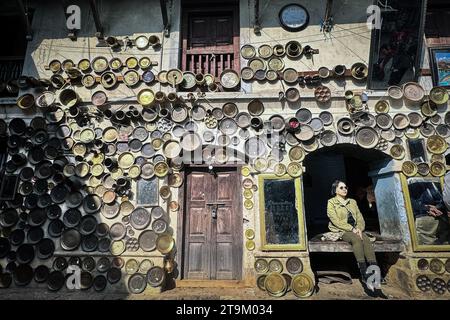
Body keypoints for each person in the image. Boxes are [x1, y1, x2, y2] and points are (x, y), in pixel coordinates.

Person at [327, 180, 387, 298]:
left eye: (346, 187)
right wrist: (352, 229)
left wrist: (359, 228)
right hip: (341, 230)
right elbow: (335, 220)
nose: (345, 189)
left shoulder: (352, 202)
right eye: (341, 188)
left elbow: (360, 217)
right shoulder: (331, 202)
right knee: (356, 240)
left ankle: (375, 272)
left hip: (356, 230)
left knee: (365, 239)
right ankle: (364, 273)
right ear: (335, 190)